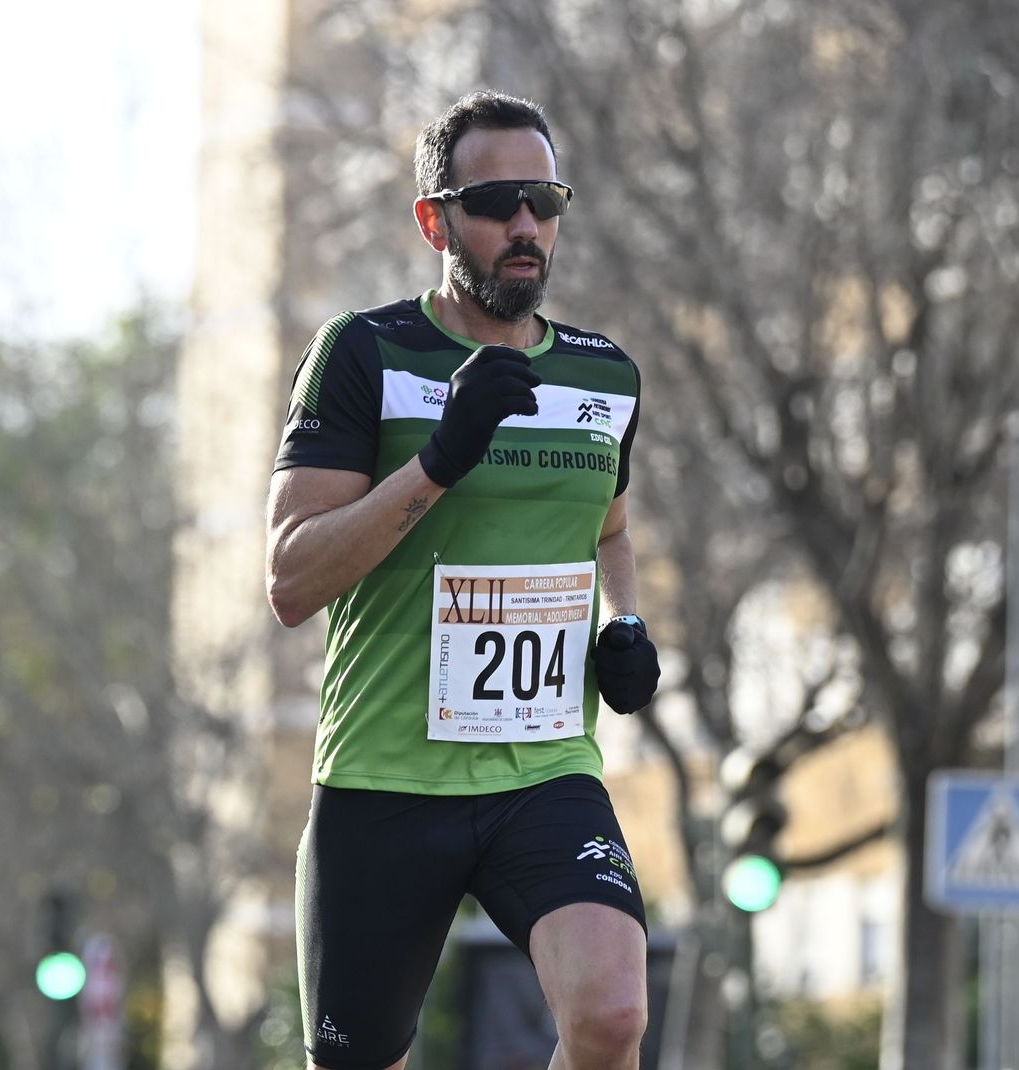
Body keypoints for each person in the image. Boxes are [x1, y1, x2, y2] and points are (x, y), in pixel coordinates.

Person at [265, 89, 661, 1070]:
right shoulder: (364, 353)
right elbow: (291, 578)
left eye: (544, 200)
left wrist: (629, 623)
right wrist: (441, 456)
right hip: (385, 776)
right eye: (495, 205)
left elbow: (609, 523)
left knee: (611, 1016)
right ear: (434, 219)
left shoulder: (604, 376)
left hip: (543, 768)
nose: (525, 226)